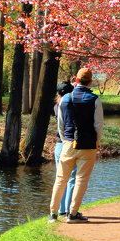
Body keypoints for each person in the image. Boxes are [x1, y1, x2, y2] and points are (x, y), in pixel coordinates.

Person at [48, 67, 104, 223]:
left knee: (61, 178)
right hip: (87, 145)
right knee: (81, 180)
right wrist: (96, 142)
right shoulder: (95, 100)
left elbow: (61, 124)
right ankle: (72, 214)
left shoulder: (65, 99)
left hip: (67, 144)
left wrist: (66, 139)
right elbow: (98, 125)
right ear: (91, 81)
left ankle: (53, 214)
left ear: (76, 80)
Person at [51, 81, 77, 218]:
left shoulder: (57, 106)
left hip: (59, 144)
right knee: (72, 177)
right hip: (70, 143)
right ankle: (69, 210)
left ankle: (60, 210)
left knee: (60, 177)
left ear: (58, 93)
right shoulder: (72, 105)